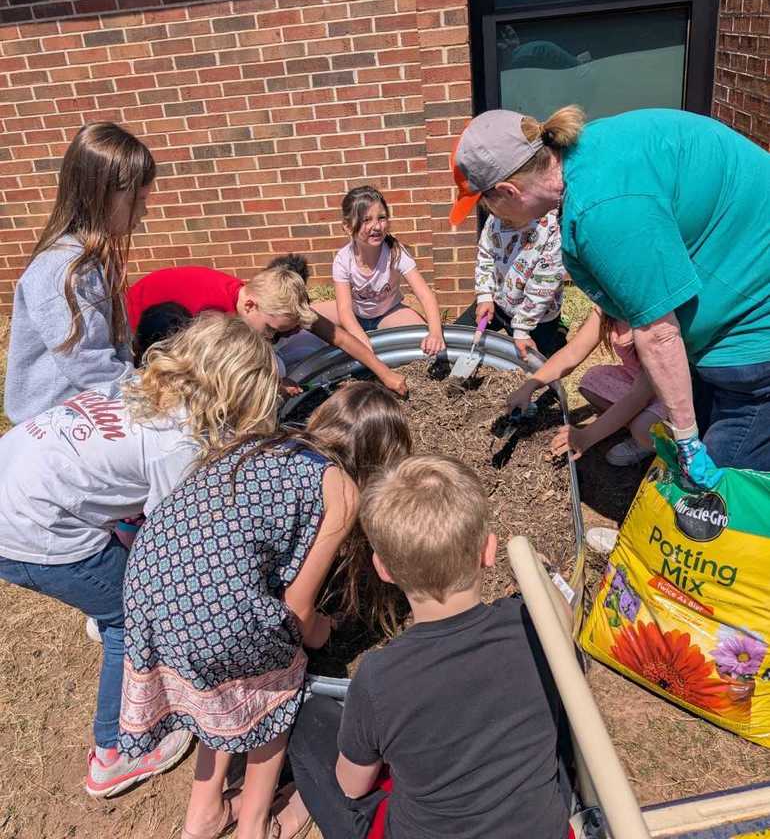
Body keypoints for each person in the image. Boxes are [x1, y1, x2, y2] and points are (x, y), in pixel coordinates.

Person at [0, 313, 278, 798]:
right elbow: (175, 539)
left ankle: (100, 599)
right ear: (236, 391)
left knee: (118, 579)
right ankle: (113, 754)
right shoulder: (178, 444)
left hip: (17, 481)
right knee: (128, 622)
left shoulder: (141, 387)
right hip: (31, 531)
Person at [118, 382, 412, 839]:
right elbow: (297, 611)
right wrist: (324, 630)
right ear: (379, 460)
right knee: (272, 688)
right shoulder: (342, 489)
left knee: (220, 687)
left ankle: (203, 813)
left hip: (152, 584)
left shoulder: (263, 439)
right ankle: (254, 823)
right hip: (218, 614)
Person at [448, 106, 770, 482]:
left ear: (508, 190)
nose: (490, 214)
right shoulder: (587, 154)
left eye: (485, 203)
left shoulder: (598, 210)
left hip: (753, 321)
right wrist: (532, 385)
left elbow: (659, 333)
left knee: (722, 489)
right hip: (737, 272)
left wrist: (687, 442)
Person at [288, 455, 569, 839]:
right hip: (540, 829)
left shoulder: (379, 677)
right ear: (488, 551)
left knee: (309, 723)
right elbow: (568, 642)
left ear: (383, 569)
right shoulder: (534, 627)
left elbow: (353, 785)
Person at [4, 122, 156, 425]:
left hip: (87, 413)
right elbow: (91, 366)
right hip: (54, 427)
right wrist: (155, 395)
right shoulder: (62, 270)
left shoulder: (92, 262)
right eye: (137, 201)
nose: (144, 212)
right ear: (100, 195)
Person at [127, 261, 408, 396]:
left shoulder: (272, 299)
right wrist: (273, 384)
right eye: (272, 331)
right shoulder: (214, 319)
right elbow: (212, 372)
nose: (275, 338)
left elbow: (339, 337)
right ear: (250, 307)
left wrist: (384, 372)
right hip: (146, 327)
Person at [509, 306, 665, 466]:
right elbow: (573, 352)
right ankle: (626, 424)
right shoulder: (608, 308)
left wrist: (586, 437)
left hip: (666, 391)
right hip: (635, 378)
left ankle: (647, 442)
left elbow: (638, 397)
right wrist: (530, 385)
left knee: (641, 428)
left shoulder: (653, 321)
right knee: (590, 381)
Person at [314, 185, 446, 357]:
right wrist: (360, 339)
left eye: (381, 218)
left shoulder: (395, 252)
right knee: (307, 318)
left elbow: (425, 295)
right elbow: (344, 310)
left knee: (422, 339)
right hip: (355, 313)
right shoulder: (343, 259)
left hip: (388, 313)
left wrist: (435, 333)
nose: (376, 226)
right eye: (366, 220)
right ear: (347, 227)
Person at [455, 209, 567, 360]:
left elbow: (543, 287)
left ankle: (558, 336)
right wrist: (484, 296)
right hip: (497, 303)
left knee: (538, 365)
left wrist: (522, 330)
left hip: (537, 318)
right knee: (456, 339)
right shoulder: (497, 214)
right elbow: (486, 253)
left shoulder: (553, 227)